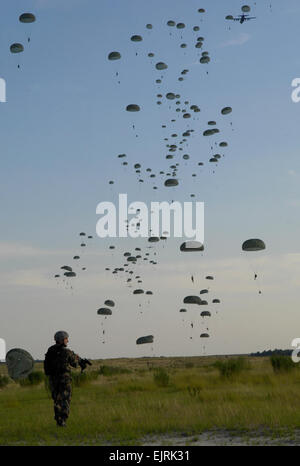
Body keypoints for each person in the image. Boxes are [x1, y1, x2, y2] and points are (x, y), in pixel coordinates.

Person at [44, 331, 84, 427]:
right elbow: (74, 364)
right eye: (66, 339)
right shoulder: (66, 352)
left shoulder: (50, 351)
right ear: (62, 340)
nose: (67, 341)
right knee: (65, 399)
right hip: (64, 379)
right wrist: (78, 358)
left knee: (57, 399)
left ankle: (58, 418)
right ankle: (63, 419)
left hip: (53, 380)